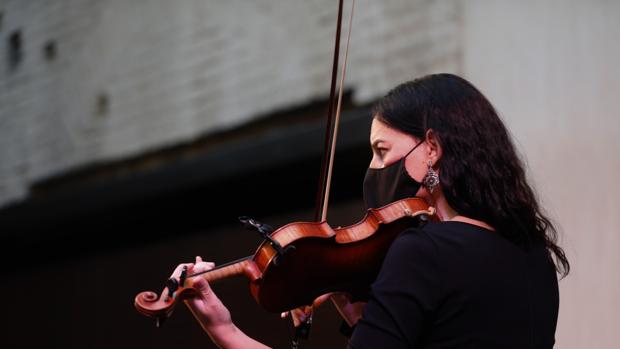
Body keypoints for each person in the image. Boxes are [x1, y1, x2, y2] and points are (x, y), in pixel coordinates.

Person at [170, 73, 569, 348]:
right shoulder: (535, 258)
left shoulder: (422, 251)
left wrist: (225, 330)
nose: (375, 170)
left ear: (432, 148)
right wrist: (363, 315)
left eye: (382, 152)